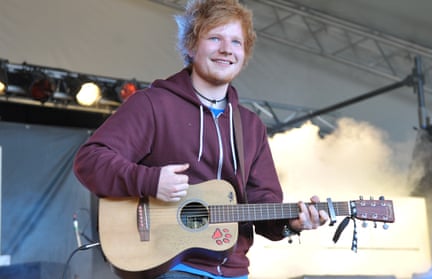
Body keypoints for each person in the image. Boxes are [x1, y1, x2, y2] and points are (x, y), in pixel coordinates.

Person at [73, 0, 329, 278]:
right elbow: (89, 160)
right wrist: (150, 181)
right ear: (191, 46)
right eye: (214, 38)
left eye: (236, 42)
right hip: (170, 267)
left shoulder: (250, 126)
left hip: (233, 271)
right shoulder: (153, 105)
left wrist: (291, 222)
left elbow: (262, 204)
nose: (226, 49)